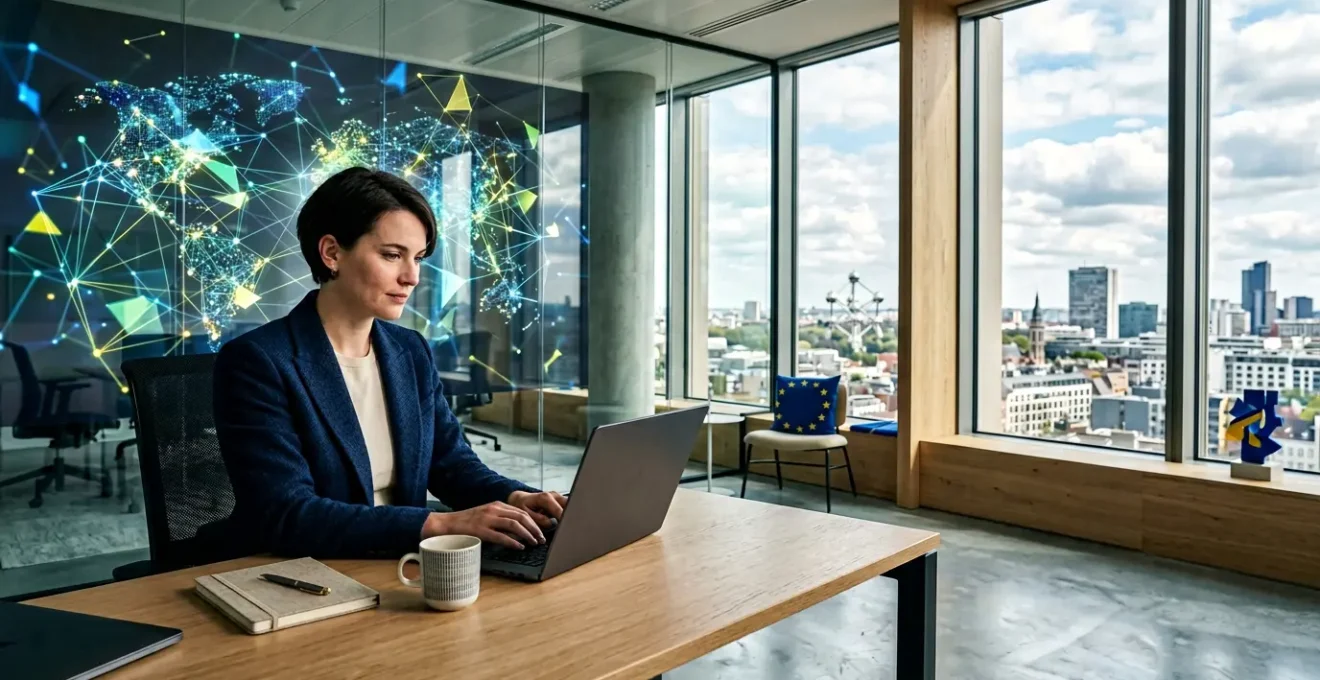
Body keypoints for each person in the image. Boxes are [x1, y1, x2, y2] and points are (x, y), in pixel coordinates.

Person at [213, 167, 566, 559]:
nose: (412, 276)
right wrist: (441, 525)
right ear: (331, 253)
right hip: (304, 572)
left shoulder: (409, 350)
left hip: (403, 566)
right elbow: (286, 513)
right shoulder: (259, 361)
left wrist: (515, 497)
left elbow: (451, 463)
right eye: (392, 255)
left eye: (417, 258)